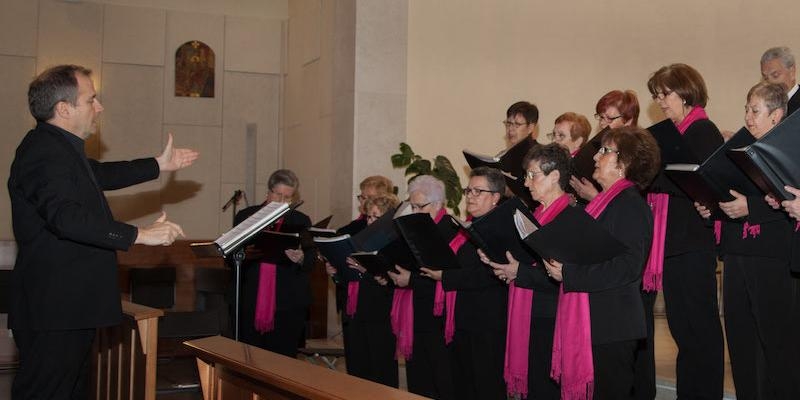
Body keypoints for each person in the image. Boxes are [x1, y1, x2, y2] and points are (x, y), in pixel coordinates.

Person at [8, 64, 198, 400]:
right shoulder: (43, 152)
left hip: (68, 307)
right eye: (91, 99)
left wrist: (158, 164)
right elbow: (65, 218)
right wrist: (140, 235)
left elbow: (101, 174)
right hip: (55, 309)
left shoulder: (59, 149)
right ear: (64, 109)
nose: (99, 107)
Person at [696, 81, 800, 399]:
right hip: (738, 252)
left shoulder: (790, 149)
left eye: (755, 110)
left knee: (776, 344)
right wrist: (712, 206)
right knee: (741, 340)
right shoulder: (740, 151)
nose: (748, 117)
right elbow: (731, 196)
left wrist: (750, 206)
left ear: (777, 115)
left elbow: (787, 203)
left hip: (773, 257)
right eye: (746, 109)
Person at [544, 126, 660, 399]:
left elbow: (628, 267)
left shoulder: (630, 205)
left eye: (605, 151)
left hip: (612, 326)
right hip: (597, 323)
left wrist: (569, 274)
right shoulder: (605, 204)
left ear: (625, 163)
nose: (596, 157)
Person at [645, 63, 726, 400]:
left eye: (666, 94)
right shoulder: (674, 134)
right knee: (683, 332)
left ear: (687, 92)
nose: (661, 101)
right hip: (675, 245)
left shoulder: (703, 132)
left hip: (693, 244)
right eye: (657, 95)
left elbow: (707, 183)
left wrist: (656, 174)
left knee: (700, 331)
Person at [420, 166, 519, 400]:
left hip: (488, 323)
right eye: (469, 190)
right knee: (464, 387)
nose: (471, 196)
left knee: (486, 387)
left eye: (478, 191)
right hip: (463, 320)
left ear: (496, 197)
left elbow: (488, 274)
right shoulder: (469, 226)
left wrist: (445, 276)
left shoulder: (502, 228)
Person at [481, 144, 567, 399]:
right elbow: (528, 263)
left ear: (554, 177)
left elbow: (562, 277)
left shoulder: (568, 218)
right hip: (531, 314)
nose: (526, 183)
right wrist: (505, 266)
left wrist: (519, 272)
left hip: (551, 319)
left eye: (533, 175)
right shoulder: (535, 214)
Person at [386, 175, 458, 399]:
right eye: (412, 206)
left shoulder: (451, 230)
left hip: (439, 318)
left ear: (438, 204)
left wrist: (412, 280)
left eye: (419, 206)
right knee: (417, 381)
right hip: (415, 313)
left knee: (441, 379)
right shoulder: (416, 227)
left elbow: (447, 275)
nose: (415, 211)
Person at [234, 169, 315, 358]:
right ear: (268, 192)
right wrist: (244, 253)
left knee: (283, 358)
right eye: (278, 194)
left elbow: (311, 258)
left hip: (287, 301)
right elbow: (231, 256)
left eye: (287, 197)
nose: (281, 201)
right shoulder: (247, 216)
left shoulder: (300, 220)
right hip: (251, 297)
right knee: (250, 356)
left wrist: (302, 257)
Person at [326, 194, 400, 387]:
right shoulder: (358, 241)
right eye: (369, 216)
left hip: (380, 315)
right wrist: (335, 272)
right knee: (357, 370)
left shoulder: (395, 245)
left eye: (376, 217)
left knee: (381, 371)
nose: (370, 221)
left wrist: (366, 270)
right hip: (355, 312)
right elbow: (348, 279)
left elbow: (392, 285)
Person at [570, 89, 639, 201]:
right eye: (601, 117)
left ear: (628, 121)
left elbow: (628, 203)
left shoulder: (636, 153)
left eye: (610, 119)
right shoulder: (598, 146)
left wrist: (594, 197)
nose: (602, 124)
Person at [761, 46, 800, 116]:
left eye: (775, 75)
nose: (770, 82)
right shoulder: (766, 107)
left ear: (792, 72)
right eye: (765, 78)